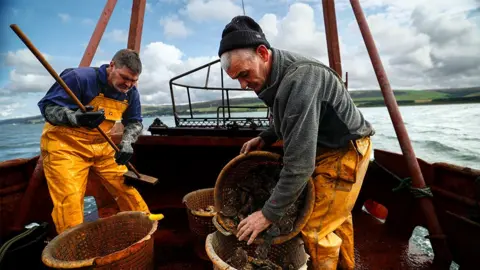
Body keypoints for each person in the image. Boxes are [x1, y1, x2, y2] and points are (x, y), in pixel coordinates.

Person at [218, 16, 375, 269]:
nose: (244, 85)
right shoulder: (274, 75)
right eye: (237, 78)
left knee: (315, 229)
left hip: (345, 151)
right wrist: (267, 136)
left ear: (262, 53)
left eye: (245, 75)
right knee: (335, 218)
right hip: (324, 147)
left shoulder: (301, 79)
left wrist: (267, 215)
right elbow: (288, 116)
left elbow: (300, 165)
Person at [37, 49, 150, 234]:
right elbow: (48, 108)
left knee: (128, 190)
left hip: (102, 147)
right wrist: (76, 118)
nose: (128, 84)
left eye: (134, 80)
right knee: (70, 202)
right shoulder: (78, 78)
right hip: (65, 147)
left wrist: (127, 143)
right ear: (111, 66)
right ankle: (74, 251)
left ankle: (145, 230)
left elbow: (135, 122)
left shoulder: (131, 92)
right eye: (124, 77)